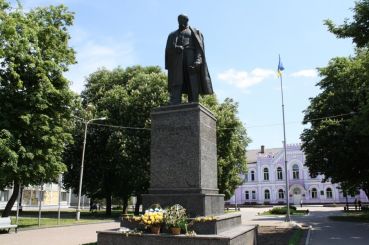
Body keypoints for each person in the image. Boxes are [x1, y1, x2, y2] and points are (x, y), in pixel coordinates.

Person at [165, 14, 213, 105]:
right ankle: (175, 100)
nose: (181, 22)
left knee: (192, 79)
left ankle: (193, 100)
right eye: (179, 20)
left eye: (183, 20)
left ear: (187, 21)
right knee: (177, 80)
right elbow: (168, 49)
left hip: (191, 56)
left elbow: (199, 48)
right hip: (177, 59)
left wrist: (198, 60)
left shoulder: (194, 32)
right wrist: (175, 48)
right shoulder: (172, 34)